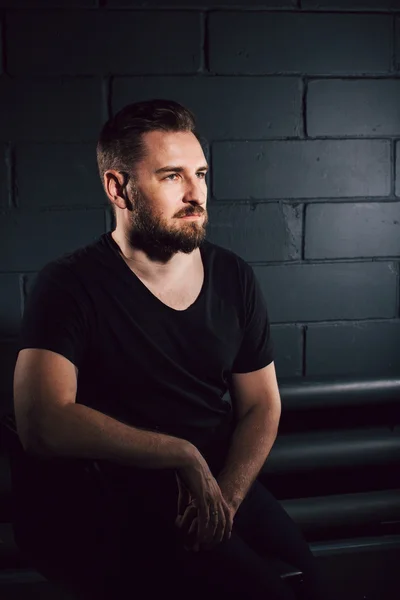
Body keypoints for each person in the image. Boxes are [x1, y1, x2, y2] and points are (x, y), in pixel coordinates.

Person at [13, 99, 326, 600]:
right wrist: (177, 453)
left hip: (217, 477)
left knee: (311, 583)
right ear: (119, 188)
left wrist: (225, 497)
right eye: (171, 176)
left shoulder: (232, 276)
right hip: (115, 497)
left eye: (200, 173)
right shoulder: (70, 285)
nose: (195, 192)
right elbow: (41, 422)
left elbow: (262, 404)